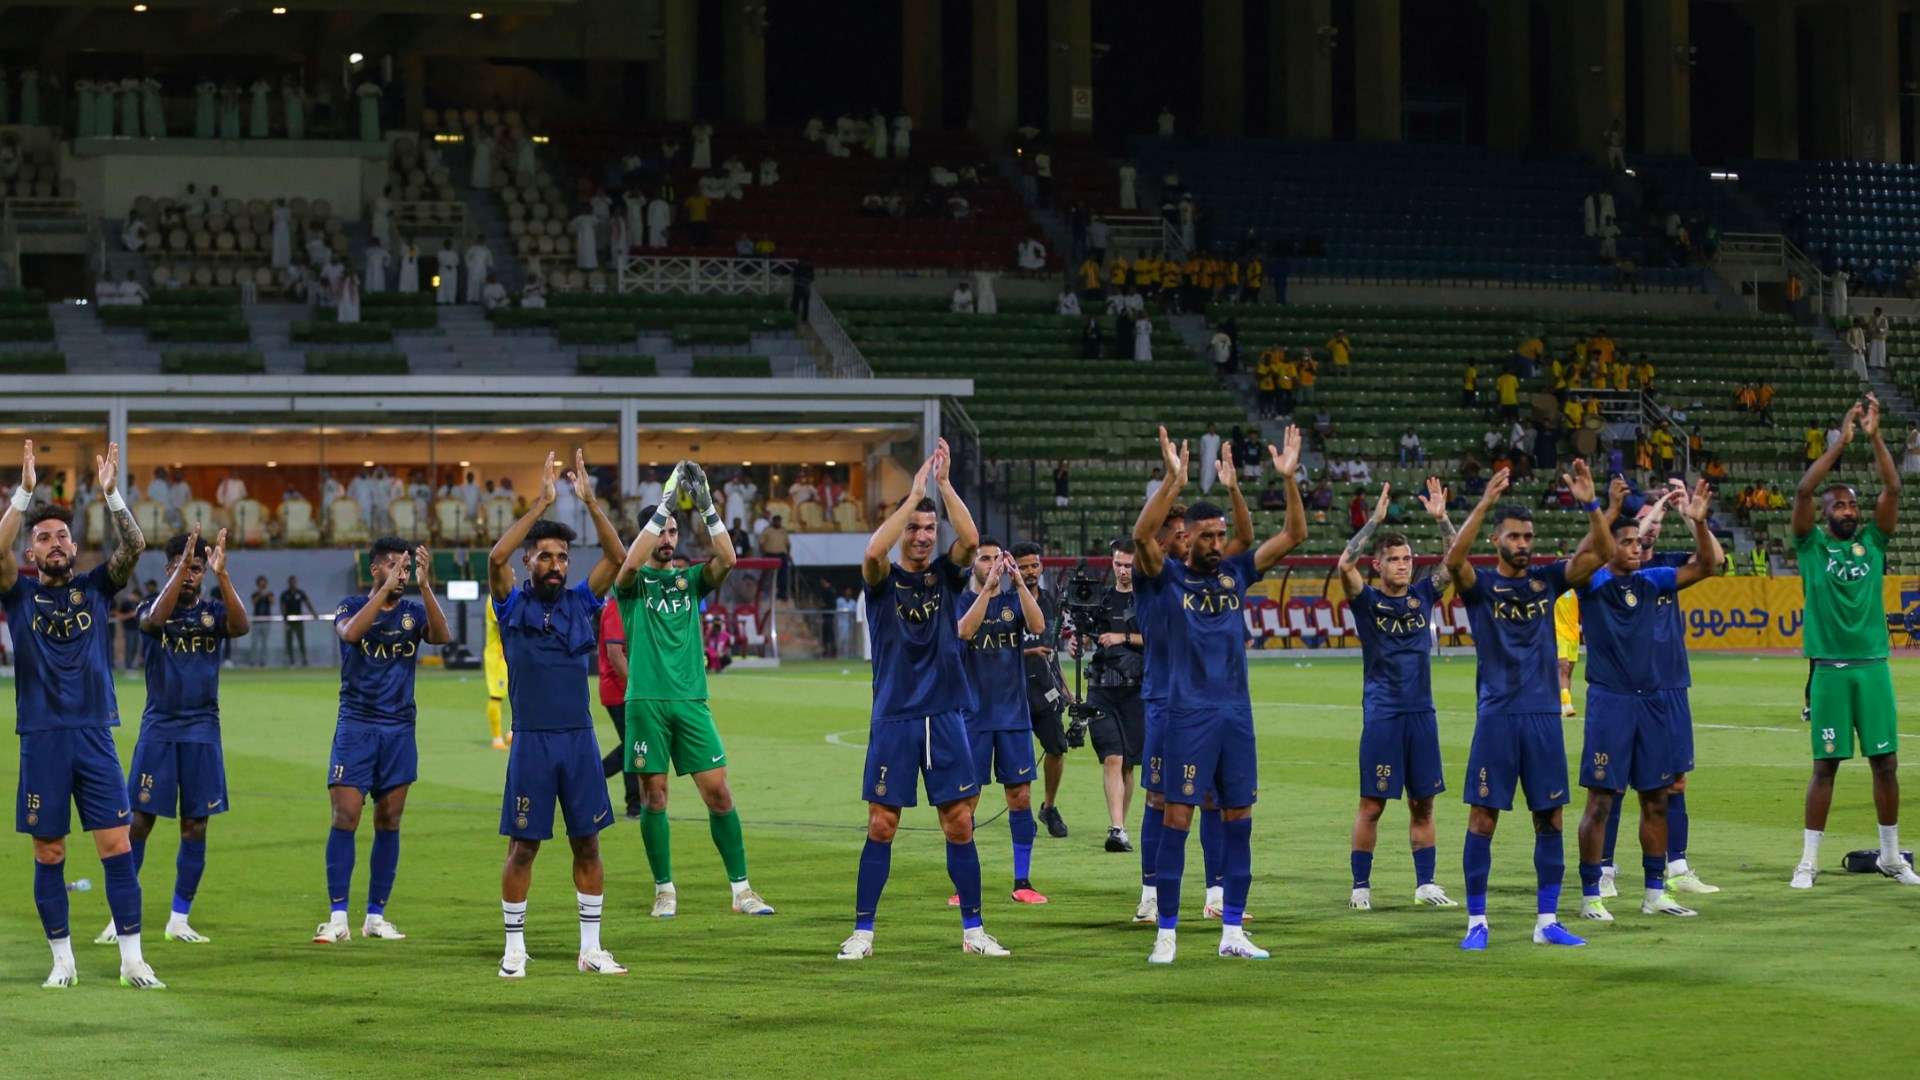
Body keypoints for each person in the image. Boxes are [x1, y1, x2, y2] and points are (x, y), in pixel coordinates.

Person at [1132, 425, 1305, 963]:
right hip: (1187, 715)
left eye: (1217, 535)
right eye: (1203, 536)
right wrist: (1171, 479)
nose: (1211, 543)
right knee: (1178, 820)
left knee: (1239, 819)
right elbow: (1142, 537)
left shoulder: (1234, 574)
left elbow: (1293, 535)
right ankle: (1167, 934)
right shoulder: (1163, 580)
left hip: (1236, 716)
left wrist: (1288, 479)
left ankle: (1232, 931)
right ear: (1186, 538)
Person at [3, 440, 164, 989]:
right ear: (31, 552)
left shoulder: (95, 588)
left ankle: (131, 959)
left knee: (116, 846)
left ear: (74, 546)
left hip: (95, 735)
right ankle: (63, 961)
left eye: (63, 536)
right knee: (49, 850)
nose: (55, 543)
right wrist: (24, 494)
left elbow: (135, 544)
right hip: (42, 738)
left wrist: (114, 496)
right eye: (43, 538)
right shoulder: (18, 596)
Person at [838, 440, 1005, 961]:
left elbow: (972, 538)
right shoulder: (882, 581)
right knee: (881, 824)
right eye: (914, 528)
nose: (922, 536)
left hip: (944, 713)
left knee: (959, 822)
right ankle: (863, 931)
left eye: (929, 528)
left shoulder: (947, 575)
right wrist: (911, 498)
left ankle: (974, 931)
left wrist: (945, 486)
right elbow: (870, 552)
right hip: (895, 715)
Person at [1443, 461, 1609, 951]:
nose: (1523, 544)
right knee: (1483, 819)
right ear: (1497, 541)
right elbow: (1454, 560)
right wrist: (1485, 503)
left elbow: (1601, 550)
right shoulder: (1481, 588)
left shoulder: (1547, 582)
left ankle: (1546, 920)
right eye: (1514, 536)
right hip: (1497, 716)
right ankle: (1476, 921)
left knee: (1550, 819)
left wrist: (1591, 503)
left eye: (1528, 536)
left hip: (1542, 718)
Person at [487, 450, 631, 978]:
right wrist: (543, 502)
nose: (556, 565)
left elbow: (618, 559)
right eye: (545, 556)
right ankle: (514, 949)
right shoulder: (511, 604)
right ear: (530, 561)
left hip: (578, 742)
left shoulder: (580, 602)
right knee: (523, 846)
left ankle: (590, 949)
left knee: (587, 842)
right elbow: (494, 560)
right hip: (532, 742)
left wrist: (590, 502)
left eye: (562, 557)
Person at [615, 463, 771, 919]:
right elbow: (626, 563)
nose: (668, 539)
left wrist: (705, 506)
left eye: (672, 531)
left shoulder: (689, 582)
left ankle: (742, 891)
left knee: (719, 792)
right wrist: (662, 508)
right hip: (646, 701)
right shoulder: (632, 585)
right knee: (654, 796)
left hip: (691, 701)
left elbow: (728, 560)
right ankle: (664, 888)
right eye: (661, 531)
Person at [1571, 478, 1721, 924]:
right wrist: (1606, 511)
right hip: (1610, 703)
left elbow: (1709, 566)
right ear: (1609, 547)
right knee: (1601, 801)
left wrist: (1698, 523)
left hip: (1652, 703)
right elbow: (1582, 559)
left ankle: (1655, 890)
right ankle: (1591, 893)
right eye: (1628, 542)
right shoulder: (1591, 583)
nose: (1637, 547)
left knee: (1656, 798)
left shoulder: (1654, 580)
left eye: (1639, 541)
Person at [94, 524, 249, 949]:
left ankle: (179, 918)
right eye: (184, 567)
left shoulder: (214, 611)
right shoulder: (152, 606)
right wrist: (178, 574)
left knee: (195, 826)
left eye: (197, 568)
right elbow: (152, 622)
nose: (191, 574)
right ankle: (119, 915)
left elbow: (241, 627)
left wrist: (224, 576)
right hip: (160, 728)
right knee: (138, 823)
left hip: (202, 730)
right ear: (168, 569)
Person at [1789, 397, 1920, 889]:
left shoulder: (1875, 541)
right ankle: (1808, 861)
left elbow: (1893, 485)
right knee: (1825, 766)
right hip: (1828, 669)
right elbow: (1803, 489)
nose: (1847, 509)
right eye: (1838, 504)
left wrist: (1875, 438)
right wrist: (1840, 443)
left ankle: (1891, 856)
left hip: (1872, 665)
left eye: (1850, 504)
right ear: (1825, 514)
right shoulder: (1811, 545)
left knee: (1886, 763)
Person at [313, 537, 453, 944]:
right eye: (392, 566)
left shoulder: (413, 611)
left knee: (389, 820)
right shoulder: (351, 605)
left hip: (398, 730)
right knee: (346, 817)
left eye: (405, 568)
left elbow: (442, 638)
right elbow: (351, 634)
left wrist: (425, 587)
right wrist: (383, 592)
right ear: (373, 569)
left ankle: (375, 916)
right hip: (356, 726)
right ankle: (337, 917)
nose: (400, 574)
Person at [1338, 477, 1460, 911]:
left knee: (1423, 804)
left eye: (1407, 558)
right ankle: (1361, 887)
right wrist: (1373, 521)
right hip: (1384, 714)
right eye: (1394, 559)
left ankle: (1426, 883)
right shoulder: (1367, 601)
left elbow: (1455, 560)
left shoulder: (1424, 596)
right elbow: (1343, 565)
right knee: (1372, 805)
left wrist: (1443, 518)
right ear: (1378, 565)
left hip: (1421, 714)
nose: (1404, 565)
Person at [954, 540, 1050, 905]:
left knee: (1020, 796)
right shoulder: (962, 601)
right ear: (973, 565)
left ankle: (1022, 881)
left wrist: (1020, 584)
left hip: (1012, 716)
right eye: (985, 559)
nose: (992, 564)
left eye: (997, 558)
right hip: (972, 716)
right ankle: (963, 884)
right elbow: (964, 631)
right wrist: (989, 590)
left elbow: (1039, 625)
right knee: (965, 803)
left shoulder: (1014, 603)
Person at [1081, 539, 1147, 852]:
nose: (1123, 570)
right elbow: (1089, 637)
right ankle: (1117, 828)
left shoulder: (1149, 600)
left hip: (1136, 689)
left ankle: (1121, 824)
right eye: (1118, 564)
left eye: (1128, 565)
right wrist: (1078, 644)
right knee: (1113, 757)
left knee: (1128, 764)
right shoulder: (1101, 600)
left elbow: (1162, 637)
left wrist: (1123, 637)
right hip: (1102, 688)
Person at [483, 579, 511, 751]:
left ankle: (513, 732)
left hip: (508, 655)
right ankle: (496, 737)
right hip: (497, 656)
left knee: (520, 692)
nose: (512, 578)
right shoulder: (494, 599)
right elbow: (504, 623)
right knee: (496, 696)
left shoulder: (506, 597)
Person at [280, 576, 313, 667]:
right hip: (289, 621)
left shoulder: (300, 593)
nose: (293, 584)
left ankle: (304, 659)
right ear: (289, 583)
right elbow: (282, 607)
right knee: (289, 642)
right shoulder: (285, 594)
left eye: (294, 582)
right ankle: (291, 661)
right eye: (291, 582)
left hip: (299, 621)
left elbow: (307, 602)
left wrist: (313, 613)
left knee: (301, 641)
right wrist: (285, 619)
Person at [249, 575, 274, 667]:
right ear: (258, 584)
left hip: (266, 621)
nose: (262, 585)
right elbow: (253, 602)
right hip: (256, 621)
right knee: (254, 642)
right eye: (261, 583)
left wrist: (266, 595)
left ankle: (263, 661)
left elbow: (272, 602)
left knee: (264, 643)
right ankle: (252, 661)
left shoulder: (269, 594)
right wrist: (260, 594)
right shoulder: (255, 594)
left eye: (264, 583)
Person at [434, 240, 459, 305]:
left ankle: (451, 300)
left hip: (452, 272)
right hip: (443, 271)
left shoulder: (454, 253)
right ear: (444, 245)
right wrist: (446, 265)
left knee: (452, 286)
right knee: (442, 286)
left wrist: (452, 265)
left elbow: (457, 261)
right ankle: (441, 300)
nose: (448, 245)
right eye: (447, 244)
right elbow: (440, 260)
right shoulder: (440, 253)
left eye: (449, 244)